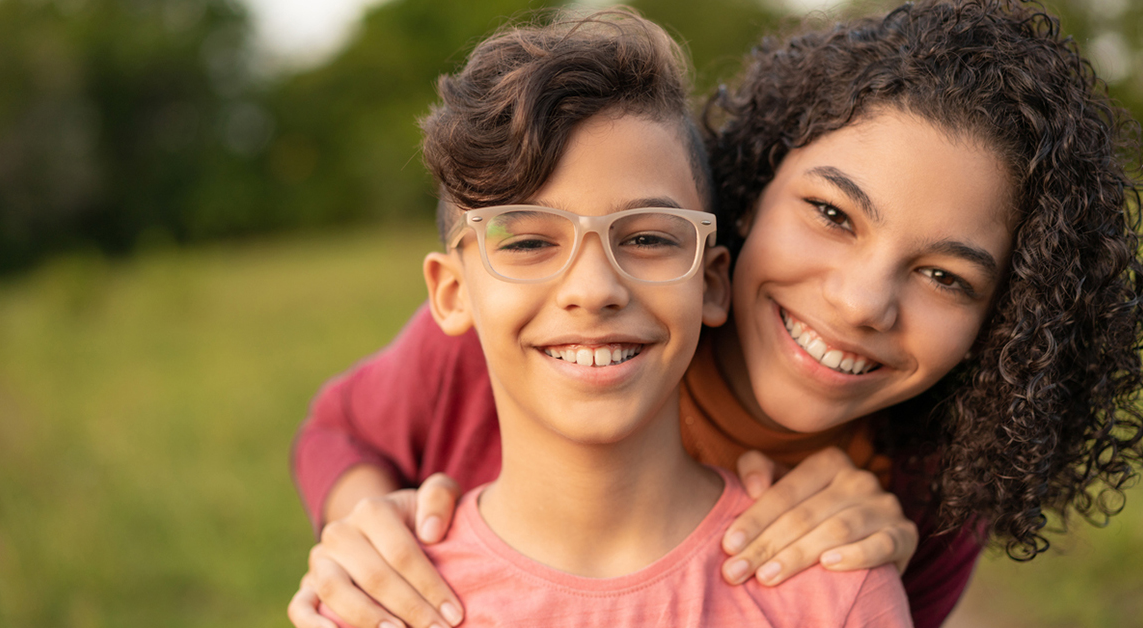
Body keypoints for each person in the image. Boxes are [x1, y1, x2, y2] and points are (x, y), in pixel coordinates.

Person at [288, 2, 1143, 628]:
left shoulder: (922, 504)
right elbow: (337, 430)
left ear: (1003, 330)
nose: (859, 303)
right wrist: (368, 525)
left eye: (945, 278)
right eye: (833, 215)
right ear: (752, 198)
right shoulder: (528, 335)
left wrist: (878, 567)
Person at [310, 10, 912, 626]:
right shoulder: (378, 597)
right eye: (525, 243)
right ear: (451, 292)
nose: (594, 290)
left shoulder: (834, 591)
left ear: (711, 283)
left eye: (649, 238)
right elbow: (334, 431)